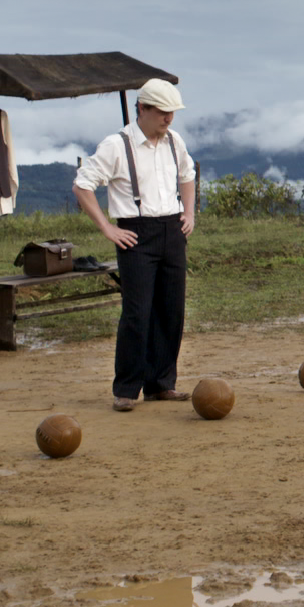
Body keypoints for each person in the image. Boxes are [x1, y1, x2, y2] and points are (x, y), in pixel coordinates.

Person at [73, 78, 198, 412]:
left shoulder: (174, 141)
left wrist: (190, 213)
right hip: (135, 232)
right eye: (161, 112)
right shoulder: (117, 145)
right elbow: (83, 185)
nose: (168, 119)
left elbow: (188, 175)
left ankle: (161, 384)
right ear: (141, 108)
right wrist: (108, 229)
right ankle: (127, 388)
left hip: (172, 230)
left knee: (171, 310)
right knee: (137, 312)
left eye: (172, 113)